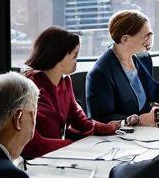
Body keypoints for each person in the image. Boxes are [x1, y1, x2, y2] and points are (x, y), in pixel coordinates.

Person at [21, 26, 120, 160]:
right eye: (74, 55)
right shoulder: (29, 87)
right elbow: (32, 144)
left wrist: (112, 127)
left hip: (57, 156)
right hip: (35, 160)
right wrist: (70, 146)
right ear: (58, 55)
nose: (76, 60)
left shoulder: (65, 82)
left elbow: (79, 120)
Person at [85, 10, 159, 125]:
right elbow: (100, 119)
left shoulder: (143, 58)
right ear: (125, 39)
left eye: (150, 35)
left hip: (147, 131)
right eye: (145, 37)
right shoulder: (100, 73)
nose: (149, 41)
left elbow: (152, 89)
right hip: (120, 137)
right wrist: (138, 120)